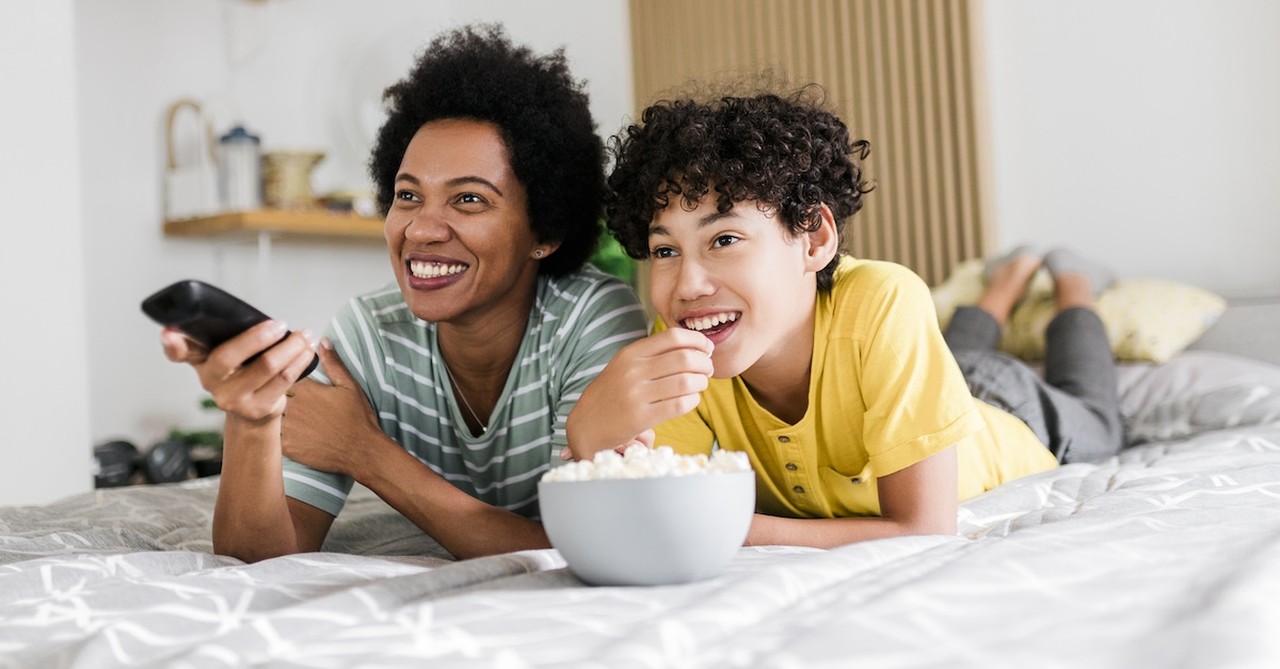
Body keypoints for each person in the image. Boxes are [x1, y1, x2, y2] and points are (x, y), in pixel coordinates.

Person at [161, 24, 647, 562]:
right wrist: (250, 420)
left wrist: (365, 452)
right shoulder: (370, 335)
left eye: (468, 200)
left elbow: (591, 545)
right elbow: (261, 556)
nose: (421, 229)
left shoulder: (593, 320)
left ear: (545, 231)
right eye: (408, 195)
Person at [566, 87, 1123, 548]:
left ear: (814, 238)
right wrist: (589, 434)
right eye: (666, 251)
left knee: (1096, 416)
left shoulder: (885, 299)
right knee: (965, 356)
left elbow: (923, 528)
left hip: (1009, 412)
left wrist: (726, 525)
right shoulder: (686, 339)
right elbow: (650, 507)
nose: (688, 286)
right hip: (926, 384)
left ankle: (1071, 286)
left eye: (725, 238)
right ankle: (1002, 285)